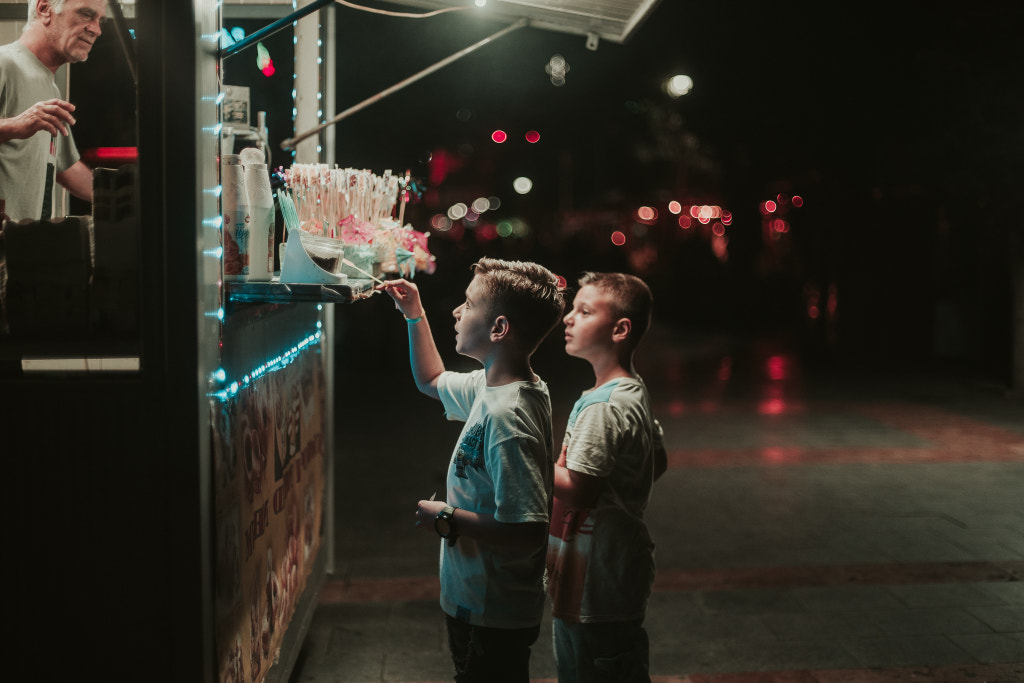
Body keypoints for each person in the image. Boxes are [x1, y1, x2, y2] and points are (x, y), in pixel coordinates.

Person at [379, 258, 566, 683]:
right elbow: (431, 379)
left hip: (492, 607)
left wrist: (444, 518)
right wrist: (415, 315)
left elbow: (526, 528)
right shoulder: (495, 386)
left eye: (468, 304)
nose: (457, 312)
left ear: (499, 329)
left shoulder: (508, 415)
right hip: (479, 598)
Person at [546, 271, 667, 683]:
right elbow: (658, 459)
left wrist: (527, 460)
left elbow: (579, 490)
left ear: (620, 329)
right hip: (615, 570)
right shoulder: (632, 390)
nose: (568, 318)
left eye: (584, 311)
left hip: (595, 582)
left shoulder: (603, 406)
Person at [0, 0, 103, 222]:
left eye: (99, 20)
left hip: (21, 250)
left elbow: (66, 169)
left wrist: (124, 198)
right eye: (86, 14)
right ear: (45, 9)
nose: (97, 29)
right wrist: (15, 125)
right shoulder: (4, 62)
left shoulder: (51, 88)